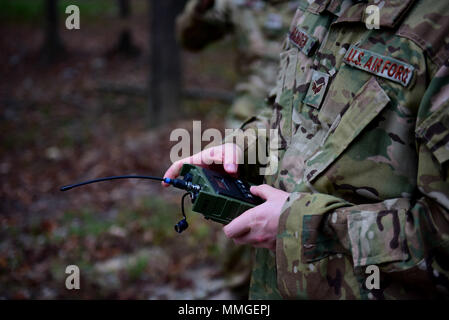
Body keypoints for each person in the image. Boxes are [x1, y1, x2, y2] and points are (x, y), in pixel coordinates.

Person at [164, 0, 449, 299]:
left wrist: (300, 226)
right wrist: (244, 148)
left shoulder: (438, 30)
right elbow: (292, 113)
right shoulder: (315, 8)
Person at [176, 0, 299, 128]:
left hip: (302, 105)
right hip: (251, 105)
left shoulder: (314, 6)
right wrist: (200, 9)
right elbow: (190, 40)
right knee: (237, 142)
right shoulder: (234, 3)